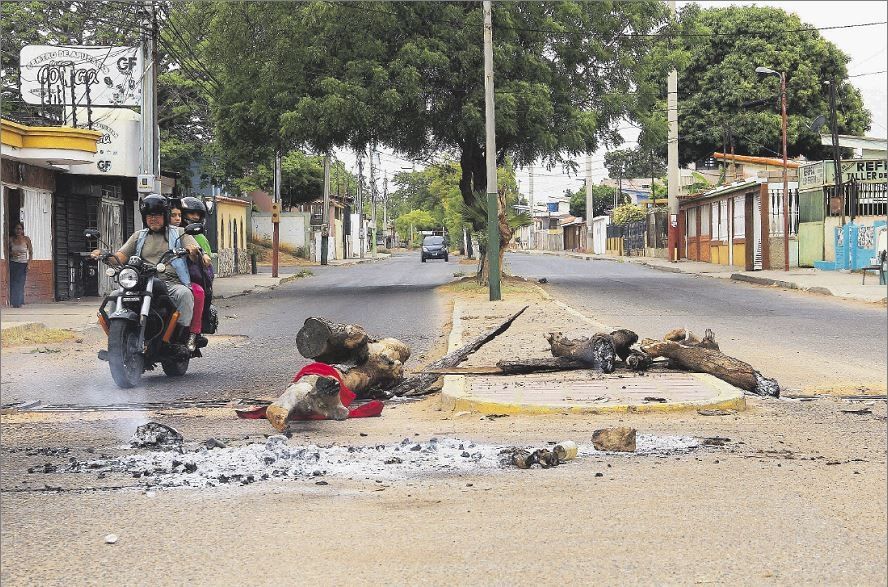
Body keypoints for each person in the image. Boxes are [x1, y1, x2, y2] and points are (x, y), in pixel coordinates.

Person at [92, 194, 200, 345]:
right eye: (149, 215)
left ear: (165, 215)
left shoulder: (179, 233)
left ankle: (181, 338)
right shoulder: (139, 236)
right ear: (144, 217)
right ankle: (116, 339)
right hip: (142, 281)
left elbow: (194, 253)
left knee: (184, 294)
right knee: (116, 294)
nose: (153, 219)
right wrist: (104, 255)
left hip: (170, 283)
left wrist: (192, 250)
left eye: (157, 215)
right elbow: (120, 257)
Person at [173, 197, 214, 350]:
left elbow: (205, 258)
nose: (195, 218)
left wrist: (200, 255)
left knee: (198, 292)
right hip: (162, 275)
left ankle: (193, 333)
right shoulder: (149, 233)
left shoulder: (190, 234)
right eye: (191, 214)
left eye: (198, 215)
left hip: (188, 276)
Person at [8, 222, 33, 308]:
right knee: (14, 282)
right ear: (14, 230)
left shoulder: (26, 239)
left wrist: (29, 264)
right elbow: (6, 251)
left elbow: (31, 253)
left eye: (20, 229)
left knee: (21, 282)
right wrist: (12, 253)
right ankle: (15, 302)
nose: (18, 231)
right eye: (16, 229)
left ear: (22, 230)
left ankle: (19, 301)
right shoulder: (11, 239)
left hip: (23, 264)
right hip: (13, 263)